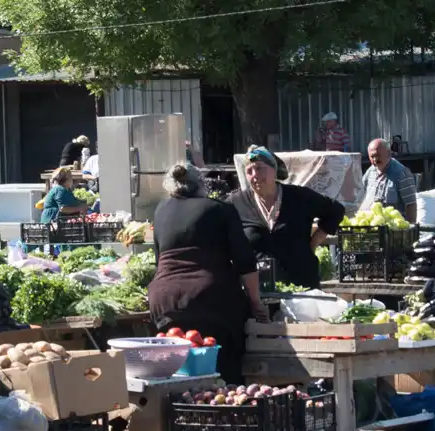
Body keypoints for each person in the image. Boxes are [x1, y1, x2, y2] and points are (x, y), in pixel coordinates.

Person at [148, 163, 268, 384]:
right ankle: (227, 411)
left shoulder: (161, 209)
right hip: (212, 299)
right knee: (222, 370)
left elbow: (159, 259)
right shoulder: (219, 209)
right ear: (200, 184)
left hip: (164, 300)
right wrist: (256, 302)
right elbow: (245, 261)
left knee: (174, 372)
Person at [230, 146, 346, 290]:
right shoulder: (237, 202)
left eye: (259, 168)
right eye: (249, 171)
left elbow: (336, 210)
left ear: (274, 170)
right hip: (259, 291)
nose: (254, 175)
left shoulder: (299, 197)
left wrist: (314, 242)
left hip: (301, 285)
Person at [363, 138, 417, 222]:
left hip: (394, 228)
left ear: (389, 154)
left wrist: (410, 227)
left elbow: (411, 204)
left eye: (377, 155)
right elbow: (360, 195)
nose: (375, 159)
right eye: (372, 156)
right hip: (372, 226)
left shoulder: (401, 173)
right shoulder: (370, 172)